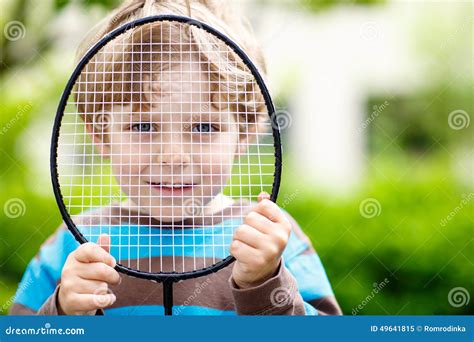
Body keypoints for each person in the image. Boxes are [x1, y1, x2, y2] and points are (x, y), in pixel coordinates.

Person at [9, 0, 342, 316]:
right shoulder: (71, 244)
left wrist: (264, 283)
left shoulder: (271, 240)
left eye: (202, 126)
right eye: (142, 125)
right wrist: (63, 309)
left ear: (245, 135)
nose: (172, 157)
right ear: (100, 136)